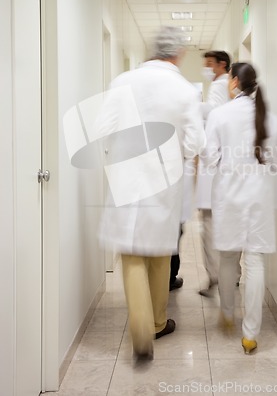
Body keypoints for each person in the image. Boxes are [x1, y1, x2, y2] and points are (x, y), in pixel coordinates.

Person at [97, 26, 205, 362]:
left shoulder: (123, 81)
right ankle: (158, 323)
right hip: (165, 181)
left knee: (131, 255)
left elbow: (102, 130)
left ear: (151, 50)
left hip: (128, 180)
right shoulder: (184, 90)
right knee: (159, 255)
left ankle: (142, 333)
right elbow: (195, 143)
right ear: (179, 54)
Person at [204, 62, 277, 354]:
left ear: (234, 82)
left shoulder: (219, 115)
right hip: (259, 197)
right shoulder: (271, 118)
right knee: (255, 261)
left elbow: (211, 159)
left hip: (229, 197)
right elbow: (276, 161)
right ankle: (250, 335)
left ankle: (226, 314)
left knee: (227, 258)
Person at [196, 51, 231, 296]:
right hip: (222, 166)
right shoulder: (225, 87)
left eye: (210, 64)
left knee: (209, 224)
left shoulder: (220, 87)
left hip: (215, 165)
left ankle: (216, 276)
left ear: (222, 65)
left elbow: (214, 116)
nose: (206, 69)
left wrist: (194, 106)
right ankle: (227, 275)